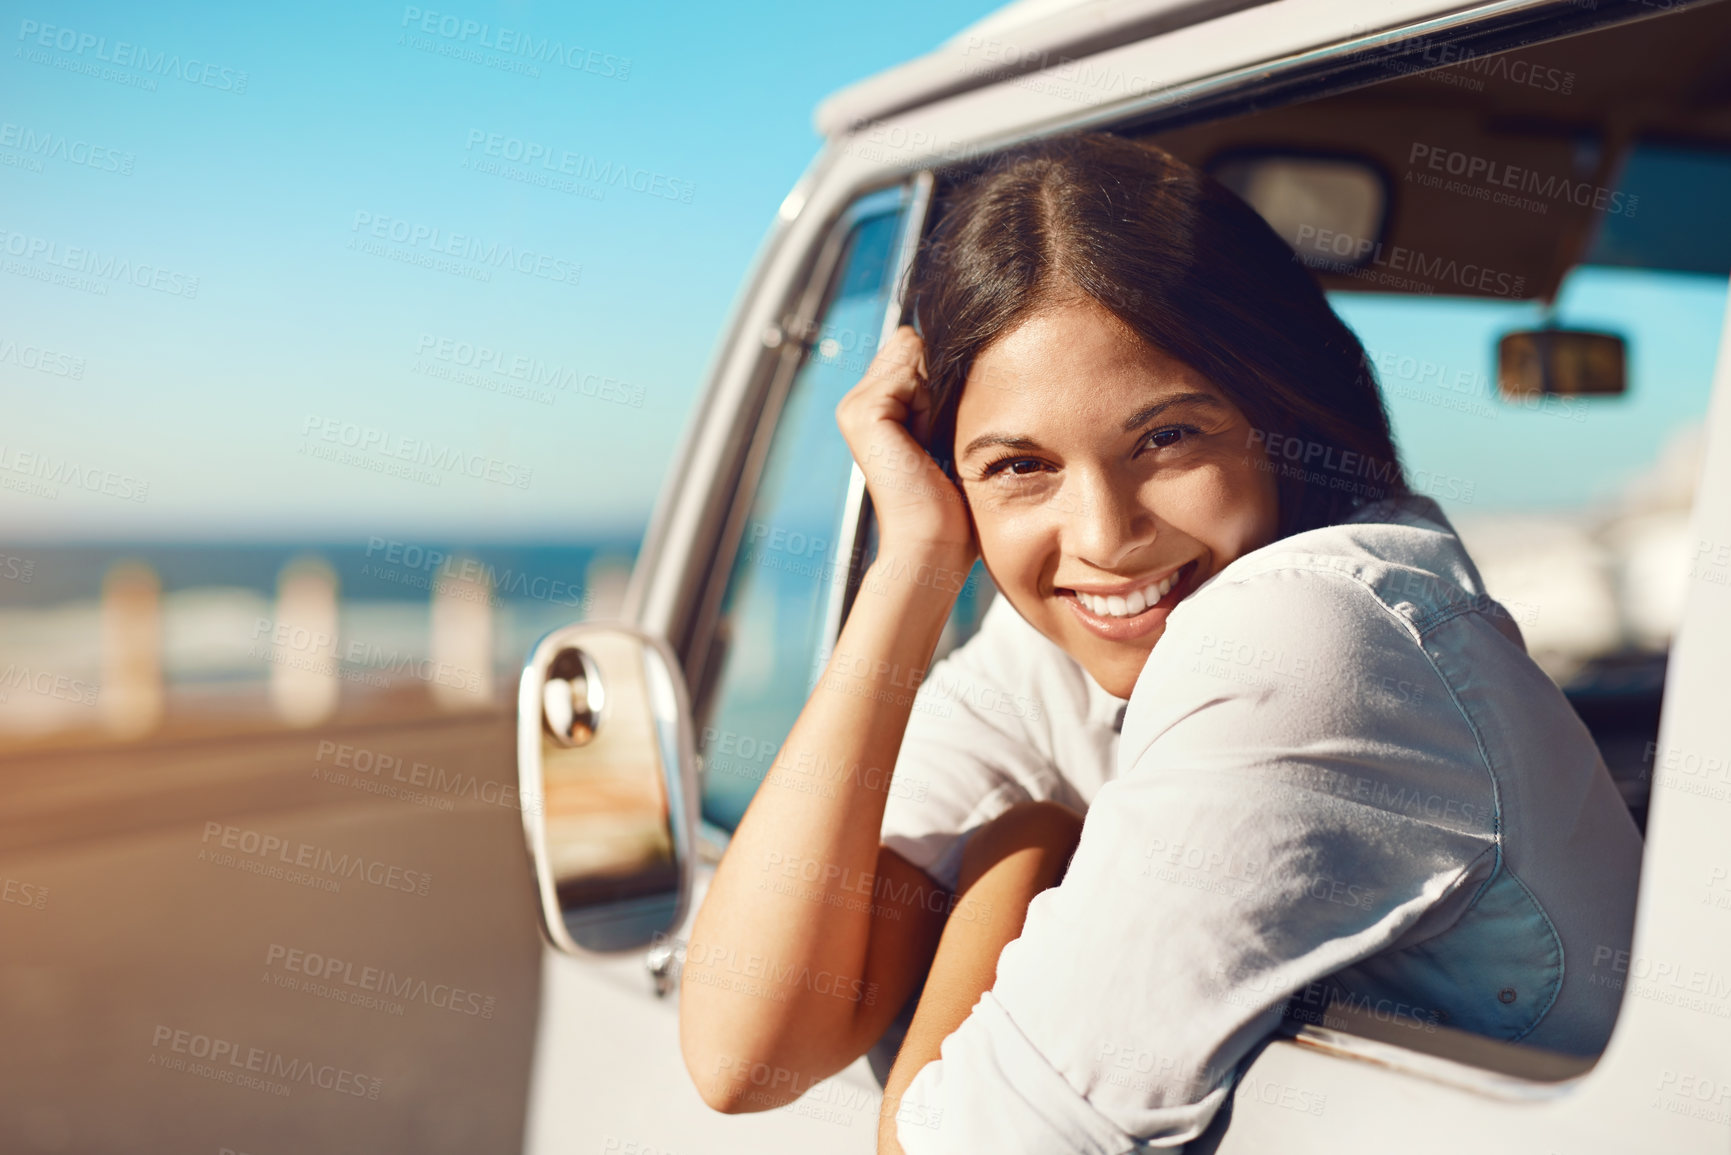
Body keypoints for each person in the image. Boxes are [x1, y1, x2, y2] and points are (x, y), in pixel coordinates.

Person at [677, 133, 1642, 1153]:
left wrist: (1021, 849)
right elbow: (747, 1050)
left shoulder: (1309, 635)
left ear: (1277, 412)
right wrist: (912, 564)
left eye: (1167, 438)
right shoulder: (1044, 656)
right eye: (1018, 468)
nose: (1102, 539)